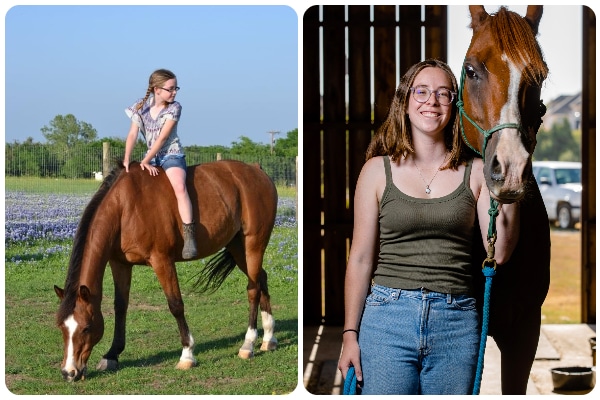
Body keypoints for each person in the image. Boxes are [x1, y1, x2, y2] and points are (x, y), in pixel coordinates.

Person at [337, 59, 520, 395]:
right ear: (405, 103)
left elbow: (502, 252)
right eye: (421, 92)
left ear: (455, 105)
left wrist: (507, 192)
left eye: (443, 94)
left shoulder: (477, 171)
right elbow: (361, 259)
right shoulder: (377, 172)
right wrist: (350, 334)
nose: (432, 101)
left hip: (456, 322)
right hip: (386, 319)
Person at [123, 68, 197, 259]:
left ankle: (189, 235)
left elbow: (163, 138)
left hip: (170, 155)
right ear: (156, 89)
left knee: (179, 187)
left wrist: (145, 160)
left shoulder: (174, 108)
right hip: (150, 157)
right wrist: (126, 158)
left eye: (176, 88)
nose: (174, 92)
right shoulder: (140, 107)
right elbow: (132, 134)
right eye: (170, 89)